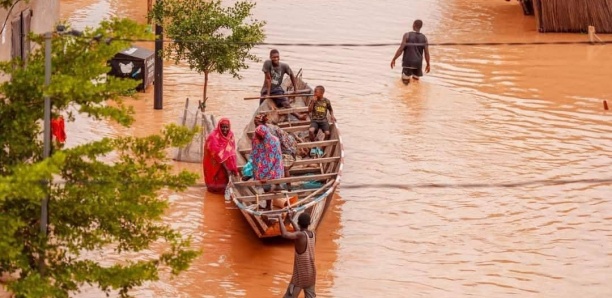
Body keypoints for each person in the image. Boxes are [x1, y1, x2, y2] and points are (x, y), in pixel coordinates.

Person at [276, 212, 316, 298]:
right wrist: (291, 220)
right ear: (309, 223)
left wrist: (279, 218)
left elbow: (285, 234)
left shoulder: (300, 235)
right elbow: (300, 232)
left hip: (300, 276)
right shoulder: (313, 234)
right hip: (312, 274)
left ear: (298, 223)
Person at [254, 113, 298, 191]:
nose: (256, 127)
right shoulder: (259, 132)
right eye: (255, 125)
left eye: (257, 124)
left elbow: (276, 152)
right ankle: (271, 190)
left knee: (284, 167)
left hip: (285, 150)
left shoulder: (271, 133)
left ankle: (288, 188)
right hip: (273, 151)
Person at [260, 49, 306, 120]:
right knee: (261, 108)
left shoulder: (284, 66)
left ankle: (298, 116)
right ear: (270, 57)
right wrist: (268, 94)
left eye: (277, 57)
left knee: (286, 104)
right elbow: (268, 79)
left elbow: (291, 75)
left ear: (279, 57)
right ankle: (261, 119)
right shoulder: (267, 63)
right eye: (274, 57)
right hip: (266, 89)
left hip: (276, 89)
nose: (276, 59)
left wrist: (295, 89)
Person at [203, 118, 238, 194]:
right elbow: (217, 154)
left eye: (226, 127)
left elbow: (232, 151)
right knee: (216, 182)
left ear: (229, 127)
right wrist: (227, 168)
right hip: (214, 162)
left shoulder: (230, 135)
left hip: (226, 162)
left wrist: (232, 167)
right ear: (219, 127)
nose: (225, 129)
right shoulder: (213, 137)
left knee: (224, 180)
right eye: (223, 127)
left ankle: (224, 192)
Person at [251, 125, 284, 206]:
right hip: (262, 166)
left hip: (274, 167)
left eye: (258, 136)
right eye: (256, 135)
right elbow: (254, 155)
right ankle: (269, 201)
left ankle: (269, 205)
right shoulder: (256, 140)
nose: (256, 137)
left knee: (267, 186)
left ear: (263, 135)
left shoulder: (273, 141)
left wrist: (266, 176)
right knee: (265, 186)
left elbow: (272, 160)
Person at [390, 19, 431, 85]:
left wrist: (394, 59)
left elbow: (401, 49)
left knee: (405, 85)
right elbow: (427, 53)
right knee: (415, 84)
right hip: (418, 64)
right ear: (421, 27)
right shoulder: (424, 38)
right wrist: (428, 64)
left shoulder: (407, 35)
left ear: (413, 25)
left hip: (408, 63)